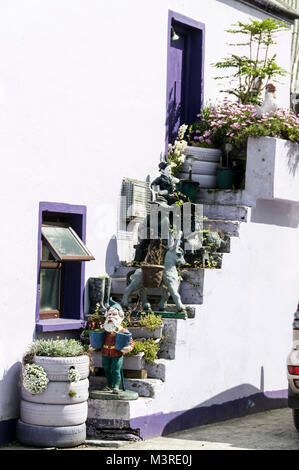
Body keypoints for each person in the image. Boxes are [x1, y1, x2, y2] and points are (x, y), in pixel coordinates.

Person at [90, 300, 135, 394]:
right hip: (106, 352)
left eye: (114, 314)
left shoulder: (123, 330)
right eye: (109, 314)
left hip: (117, 353)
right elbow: (98, 340)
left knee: (115, 370)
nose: (111, 316)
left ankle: (116, 386)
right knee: (106, 369)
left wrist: (129, 348)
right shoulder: (104, 329)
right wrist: (94, 346)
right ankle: (110, 385)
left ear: (121, 317)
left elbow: (131, 342)